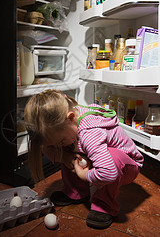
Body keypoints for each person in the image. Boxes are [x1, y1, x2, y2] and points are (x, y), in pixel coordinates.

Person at [24, 89, 144, 229]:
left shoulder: (90, 134)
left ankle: (104, 205)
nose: (58, 145)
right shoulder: (67, 118)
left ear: (70, 118)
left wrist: (84, 175)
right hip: (99, 158)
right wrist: (65, 157)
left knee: (112, 157)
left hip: (127, 166)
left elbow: (109, 172)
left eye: (60, 140)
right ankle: (76, 192)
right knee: (68, 149)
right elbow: (47, 147)